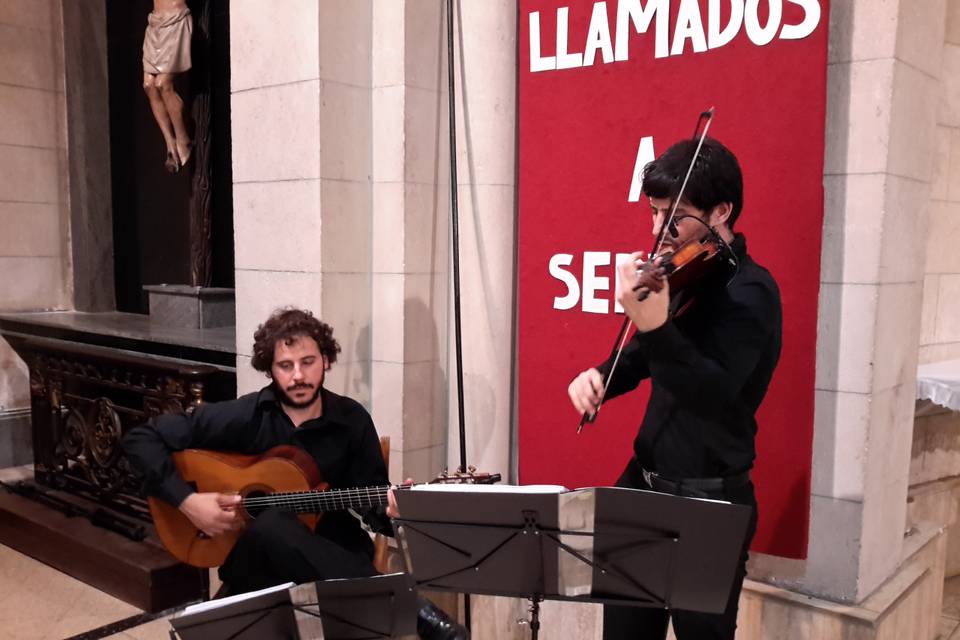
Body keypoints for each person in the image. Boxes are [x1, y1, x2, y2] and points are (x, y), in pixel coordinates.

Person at [123, 307, 468, 640]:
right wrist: (187, 501)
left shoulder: (351, 420)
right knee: (271, 526)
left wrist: (393, 511)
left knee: (271, 530)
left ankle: (403, 608)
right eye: (285, 366)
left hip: (334, 556)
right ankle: (415, 611)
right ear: (270, 370)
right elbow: (141, 438)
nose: (298, 376)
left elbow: (373, 504)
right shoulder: (248, 415)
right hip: (255, 558)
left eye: (308, 362)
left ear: (326, 361)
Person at [567, 137, 782, 640]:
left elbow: (709, 391)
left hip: (710, 504)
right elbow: (645, 354)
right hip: (642, 487)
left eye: (674, 215)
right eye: (653, 213)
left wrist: (657, 327)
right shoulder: (688, 270)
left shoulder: (751, 295)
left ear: (722, 210)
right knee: (623, 632)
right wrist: (602, 374)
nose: (658, 231)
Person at [142, 0, 194, 173]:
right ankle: (169, 142)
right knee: (149, 85)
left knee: (163, 84)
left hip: (175, 20)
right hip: (156, 23)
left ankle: (183, 138)